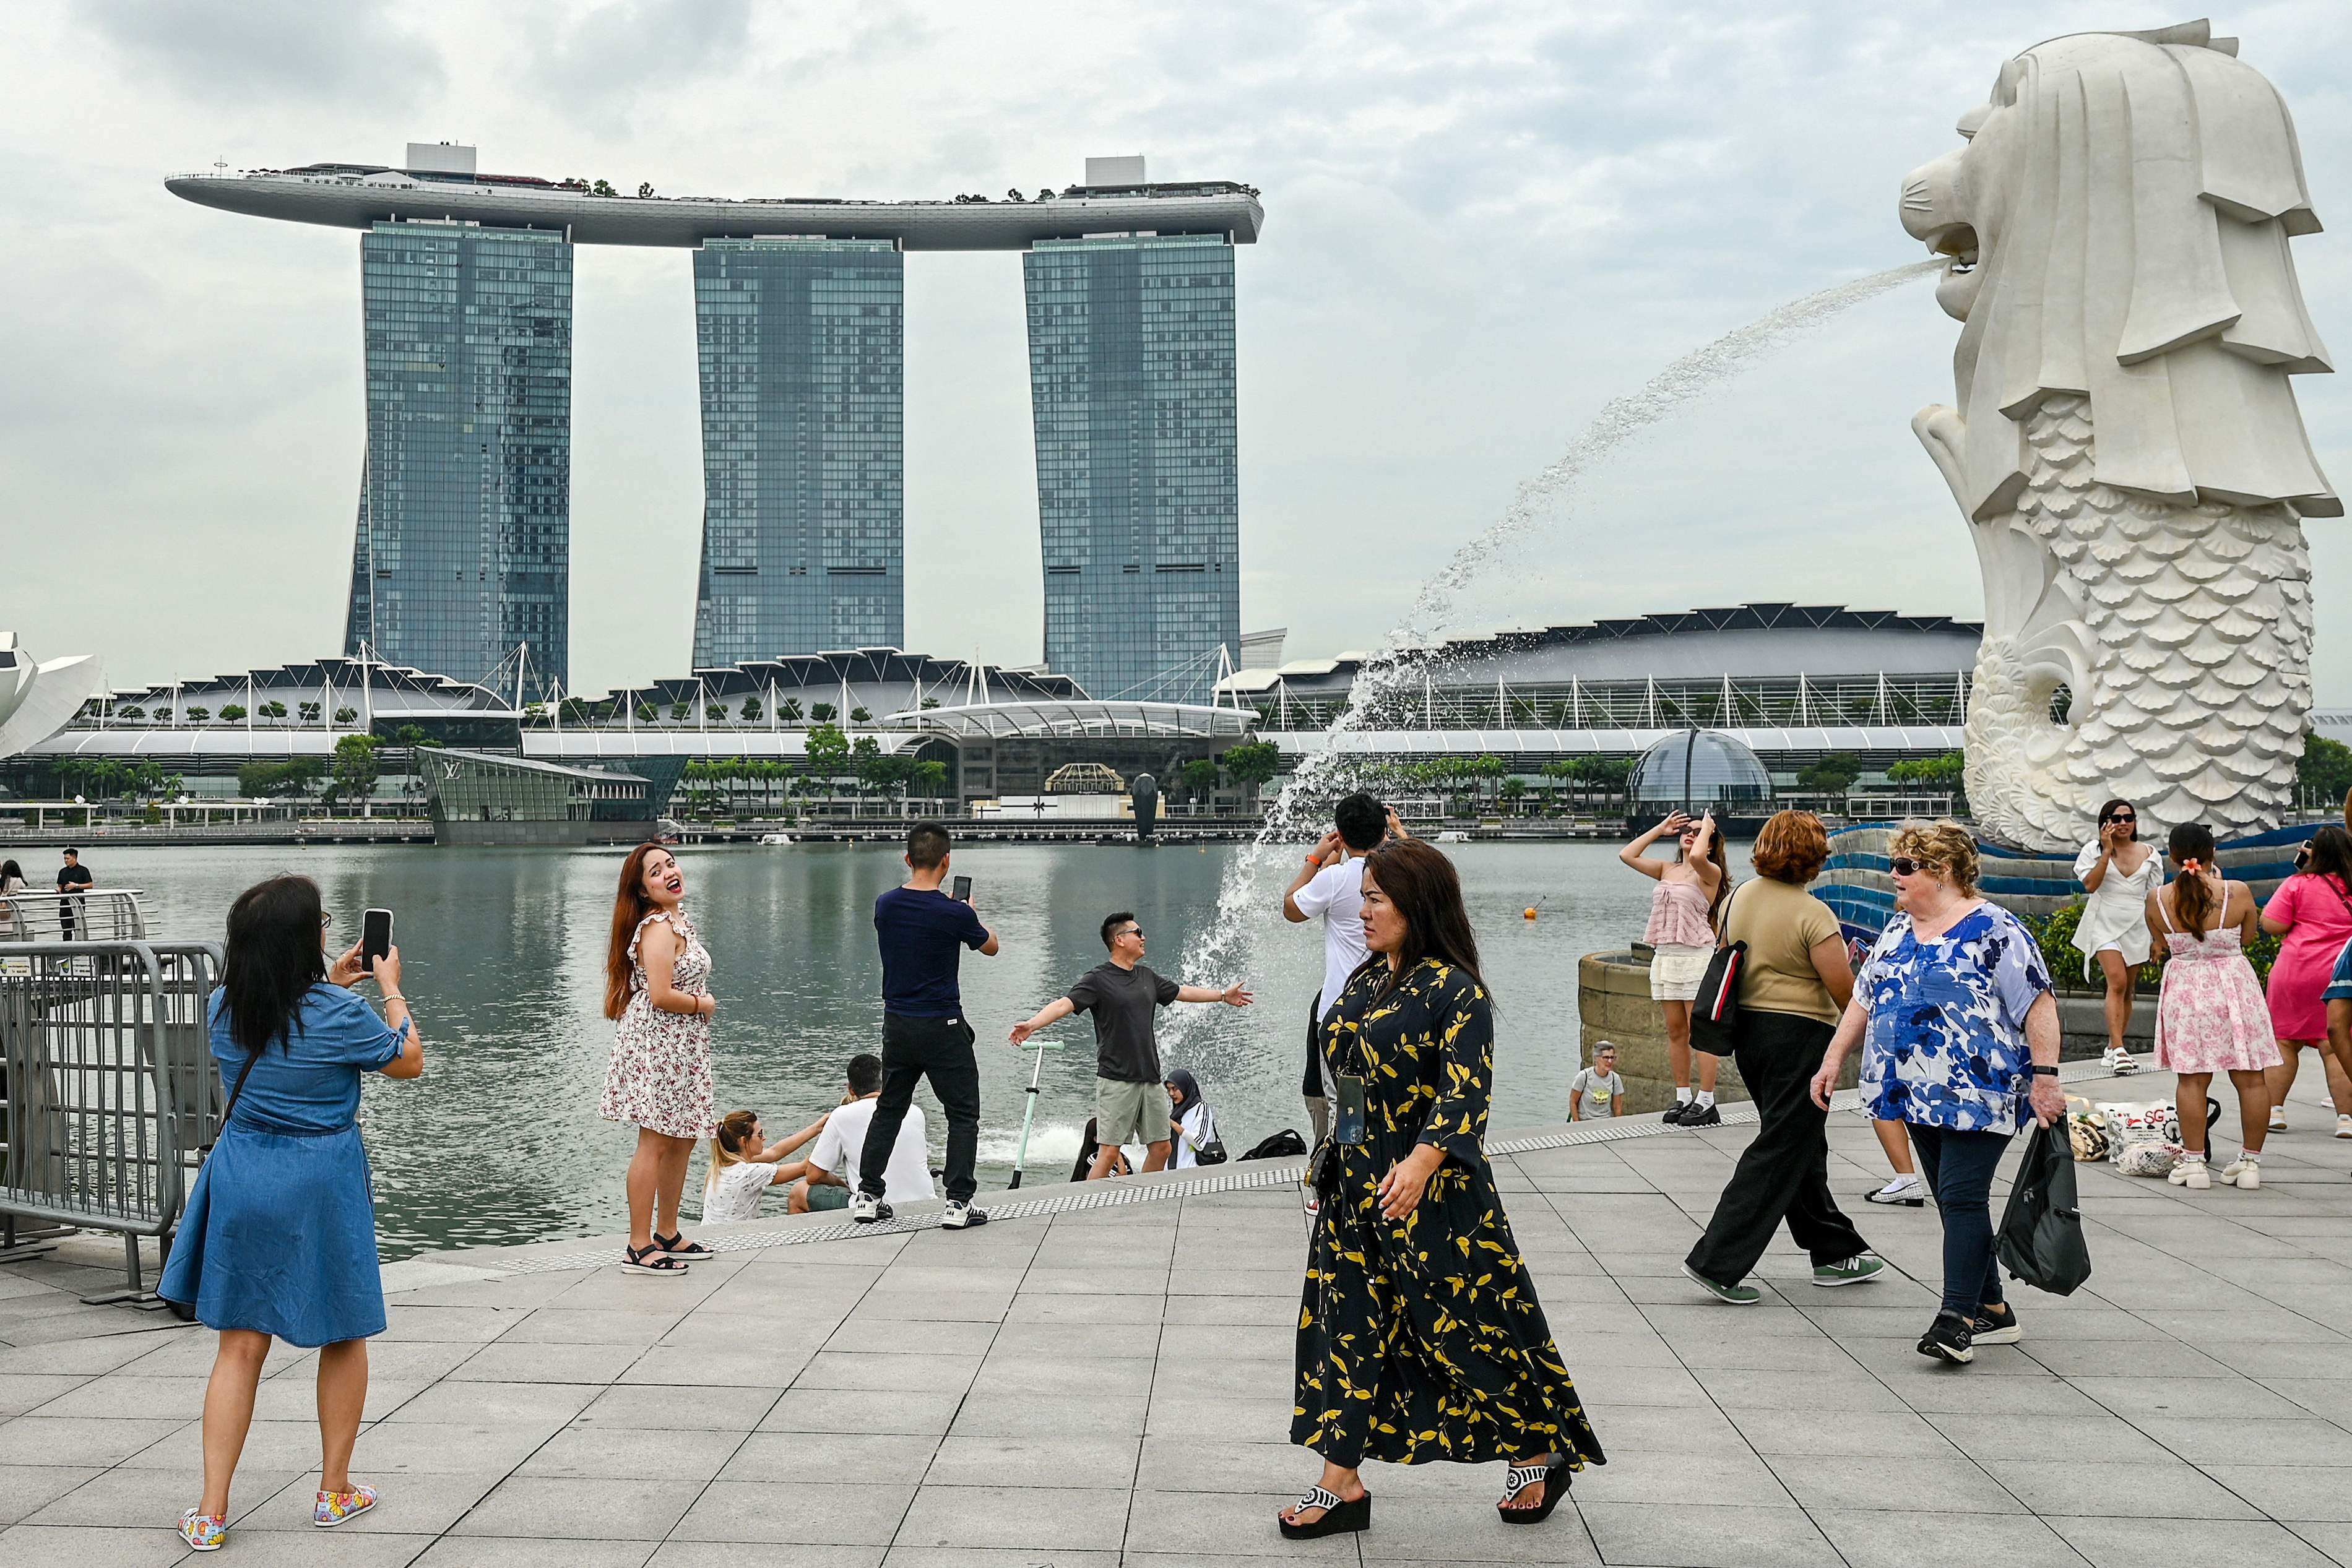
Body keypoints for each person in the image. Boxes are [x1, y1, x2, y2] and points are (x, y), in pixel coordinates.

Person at [1284, 838, 1603, 1540]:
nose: (1361, 910)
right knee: (1349, 1329)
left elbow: (1465, 1095)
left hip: (1431, 1195)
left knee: (1460, 1332)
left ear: (1416, 903)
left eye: (1374, 898)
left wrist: (1423, 1160)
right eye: (1362, 896)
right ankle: (1341, 1481)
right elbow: (1348, 1080)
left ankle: (1536, 1448)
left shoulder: (1457, 990)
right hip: (1356, 1184)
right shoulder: (1370, 978)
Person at [158, 875, 423, 1552]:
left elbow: (285, 1022)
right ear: (303, 938)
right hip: (319, 1178)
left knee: (239, 1344)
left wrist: (333, 983)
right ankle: (334, 1489)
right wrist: (388, 986)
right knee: (343, 1330)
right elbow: (408, 1061)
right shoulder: (339, 1015)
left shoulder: (222, 1005)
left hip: (244, 1173)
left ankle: (211, 1510)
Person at [1810, 819, 2062, 1366]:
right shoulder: (1898, 929)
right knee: (1953, 1199)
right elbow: (1863, 998)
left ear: (1942, 872)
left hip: (1980, 1092)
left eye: (1905, 867)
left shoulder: (1996, 929)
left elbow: (2038, 1004)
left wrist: (2046, 1077)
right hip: (1912, 1091)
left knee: (1964, 1197)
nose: (1893, 876)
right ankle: (1993, 1307)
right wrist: (1833, 1059)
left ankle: (1955, 1320)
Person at [1684, 811, 1883, 1303]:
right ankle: (1717, 1261)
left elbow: (1729, 955)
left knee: (1801, 1142)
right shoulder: (1812, 914)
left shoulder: (1738, 898)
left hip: (1749, 1035)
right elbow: (1844, 989)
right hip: (1800, 1036)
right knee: (1780, 1146)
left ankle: (1834, 1251)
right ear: (1812, 857)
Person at [1009, 912, 1252, 1179]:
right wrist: (1032, 1025)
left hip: (1150, 1078)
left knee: (1162, 1148)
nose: (1143, 937)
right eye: (1138, 933)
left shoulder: (1147, 977)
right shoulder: (1098, 979)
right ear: (1119, 940)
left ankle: (1141, 1201)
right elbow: (1064, 1004)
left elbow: (1182, 992)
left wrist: (1221, 995)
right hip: (1116, 1079)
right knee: (1110, 1152)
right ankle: (1085, 1209)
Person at [857, 821, 997, 1229]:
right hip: (943, 1024)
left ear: (908, 859)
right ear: (947, 862)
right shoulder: (954, 912)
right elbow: (991, 946)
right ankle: (958, 1204)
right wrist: (969, 915)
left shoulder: (885, 904)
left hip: (897, 1024)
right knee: (962, 1114)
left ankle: (867, 1195)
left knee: (889, 1109)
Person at [598, 843, 717, 1275]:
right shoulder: (657, 928)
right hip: (658, 1043)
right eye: (655, 871)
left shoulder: (680, 921)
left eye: (670, 863)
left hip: (682, 1045)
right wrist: (703, 1005)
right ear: (644, 891)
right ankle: (638, 1244)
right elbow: (662, 995)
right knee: (655, 1140)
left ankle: (667, 1230)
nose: (669, 872)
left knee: (683, 1137)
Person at [2150, 824, 2280, 1189]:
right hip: (2234, 986)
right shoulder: (2236, 892)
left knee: (2191, 1080)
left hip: (2186, 989)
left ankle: (2193, 1163)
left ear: (2172, 856)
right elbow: (2250, 936)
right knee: (2252, 1078)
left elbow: (2161, 939)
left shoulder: (2157, 899)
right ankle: (2250, 1163)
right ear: (2213, 854)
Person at [1282, 792, 1396, 1200]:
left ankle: (1337, 1188)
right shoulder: (1400, 875)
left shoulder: (1335, 878)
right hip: (1393, 1006)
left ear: (1341, 835)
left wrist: (1315, 860)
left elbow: (1291, 908)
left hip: (1340, 1011)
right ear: (1384, 829)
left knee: (1342, 1104)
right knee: (1389, 1097)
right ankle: (1388, 1179)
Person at [1619, 810, 1729, 1126]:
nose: (1690, 834)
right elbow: (1627, 854)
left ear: (1709, 843)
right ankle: (1683, 1096)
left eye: (1698, 832)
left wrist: (1707, 828)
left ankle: (1706, 1100)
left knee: (1700, 1032)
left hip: (1696, 956)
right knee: (1676, 1031)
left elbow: (1696, 857)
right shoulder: (1667, 869)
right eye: (1687, 830)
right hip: (1666, 956)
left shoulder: (1708, 871)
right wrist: (1661, 828)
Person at [2259, 824, 2352, 1137]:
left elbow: (2272, 924)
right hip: (2341, 974)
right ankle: (2346, 1119)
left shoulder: (2297, 883)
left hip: (2296, 971)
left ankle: (2273, 1111)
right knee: (2334, 1046)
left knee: (2285, 1042)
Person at [2073, 799, 2162, 1075]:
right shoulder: (2092, 851)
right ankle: (2121, 1048)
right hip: (2104, 920)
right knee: (2117, 981)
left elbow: (2154, 898)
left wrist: (2158, 938)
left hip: (2137, 923)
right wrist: (2107, 851)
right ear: (2105, 822)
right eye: (2116, 818)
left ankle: (2113, 1047)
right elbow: (2090, 885)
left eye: (2128, 818)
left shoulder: (2150, 853)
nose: (2123, 823)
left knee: (2128, 988)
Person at [795, 1054, 933, 1213]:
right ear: (884, 1083)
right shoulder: (914, 1111)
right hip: (925, 1202)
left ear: (851, 1090)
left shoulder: (841, 1115)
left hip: (875, 1204)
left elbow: (813, 1175)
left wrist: (842, 1184)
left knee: (798, 1192)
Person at [701, 1108, 828, 1225]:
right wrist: (832, 1133)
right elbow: (805, 1168)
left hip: (711, 1239)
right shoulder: (748, 1174)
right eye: (760, 1134)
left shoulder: (722, 1162)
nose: (765, 1138)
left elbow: (775, 1152)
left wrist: (816, 1128)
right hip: (730, 1244)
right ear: (743, 1141)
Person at [1165, 1066, 1221, 1168]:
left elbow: (1199, 1143)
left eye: (1175, 1089)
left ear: (1184, 1087)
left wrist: (1173, 1125)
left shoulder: (1201, 1108)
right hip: (1171, 1173)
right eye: (1169, 1090)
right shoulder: (1177, 1111)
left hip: (1192, 1173)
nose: (1171, 1094)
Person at [1569, 1044, 1623, 1120]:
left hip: (1605, 1122)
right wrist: (1577, 1125)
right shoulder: (1584, 1076)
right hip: (1585, 1121)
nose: (1610, 1061)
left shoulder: (1615, 1079)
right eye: (1606, 1058)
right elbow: (1573, 1101)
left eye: (1612, 1057)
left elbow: (1617, 1107)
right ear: (1596, 1058)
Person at [1070, 1116, 1132, 1182]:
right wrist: (1117, 1147)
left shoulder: (1120, 1156)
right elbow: (1122, 1177)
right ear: (1096, 1139)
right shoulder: (1094, 1158)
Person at [55, 845, 92, 939]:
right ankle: (67, 950)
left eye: (68, 858)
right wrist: (58, 890)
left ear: (74, 858)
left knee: (78, 928)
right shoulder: (62, 872)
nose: (66, 861)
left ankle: (80, 949)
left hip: (78, 903)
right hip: (65, 904)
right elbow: (60, 886)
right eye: (64, 859)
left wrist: (76, 886)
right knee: (66, 930)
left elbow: (90, 885)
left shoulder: (83, 871)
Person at [0, 857, 26, 936]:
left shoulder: (1, 880)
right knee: (14, 921)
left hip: (2, 906)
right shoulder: (18, 881)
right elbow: (24, 886)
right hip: (13, 908)